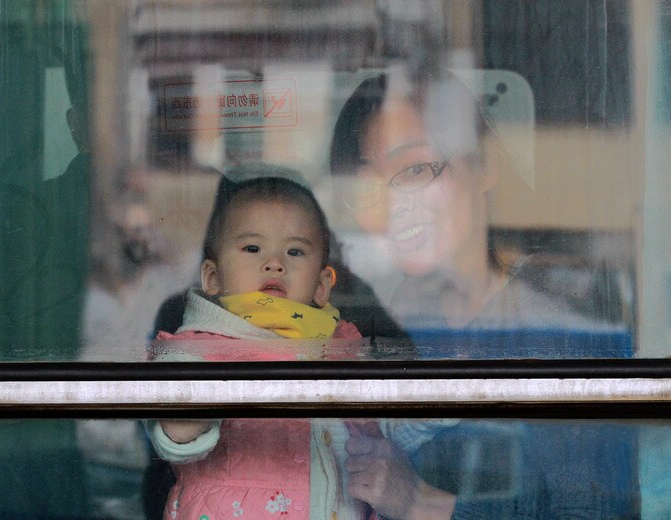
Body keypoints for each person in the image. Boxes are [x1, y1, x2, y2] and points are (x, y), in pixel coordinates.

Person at [329, 71, 639, 519]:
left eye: (416, 169)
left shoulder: (561, 323)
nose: (392, 204)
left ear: (484, 166)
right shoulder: (401, 308)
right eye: (369, 185)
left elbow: (595, 509)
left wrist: (421, 503)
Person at [145, 174, 449, 520]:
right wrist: (191, 409)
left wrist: (435, 399)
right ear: (213, 278)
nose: (275, 263)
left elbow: (385, 425)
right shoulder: (196, 349)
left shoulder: (341, 350)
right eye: (252, 248)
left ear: (321, 287)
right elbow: (175, 438)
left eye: (295, 251)